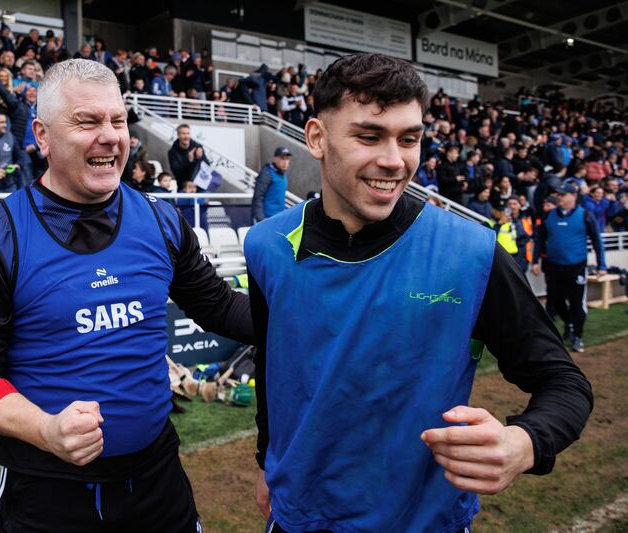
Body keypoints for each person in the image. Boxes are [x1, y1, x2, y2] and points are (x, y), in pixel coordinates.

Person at [244, 53, 592, 533]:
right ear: (317, 138)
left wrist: (525, 442)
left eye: (410, 139)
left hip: (425, 523)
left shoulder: (471, 252)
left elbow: (564, 383)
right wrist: (268, 460)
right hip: (296, 517)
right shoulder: (266, 244)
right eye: (369, 136)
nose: (394, 160)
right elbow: (271, 367)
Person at [0, 59, 253, 531]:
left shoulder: (162, 220)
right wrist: (46, 430)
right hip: (47, 493)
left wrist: (312, 307)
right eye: (87, 121)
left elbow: (220, 306)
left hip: (158, 482)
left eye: (118, 120)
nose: (110, 136)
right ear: (43, 136)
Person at [531, 184, 607, 353]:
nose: (560, 197)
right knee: (556, 302)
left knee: (576, 303)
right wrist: (535, 261)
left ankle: (577, 336)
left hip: (576, 267)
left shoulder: (585, 215)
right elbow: (540, 240)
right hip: (554, 266)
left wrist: (602, 264)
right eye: (558, 194)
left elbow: (597, 241)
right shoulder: (549, 216)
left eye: (563, 194)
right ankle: (569, 324)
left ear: (573, 196)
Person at [251, 147, 291, 223]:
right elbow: (258, 197)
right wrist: (260, 220)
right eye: (282, 158)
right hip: (266, 219)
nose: (285, 162)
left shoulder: (283, 174)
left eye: (287, 159)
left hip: (279, 218)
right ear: (275, 159)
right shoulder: (267, 173)